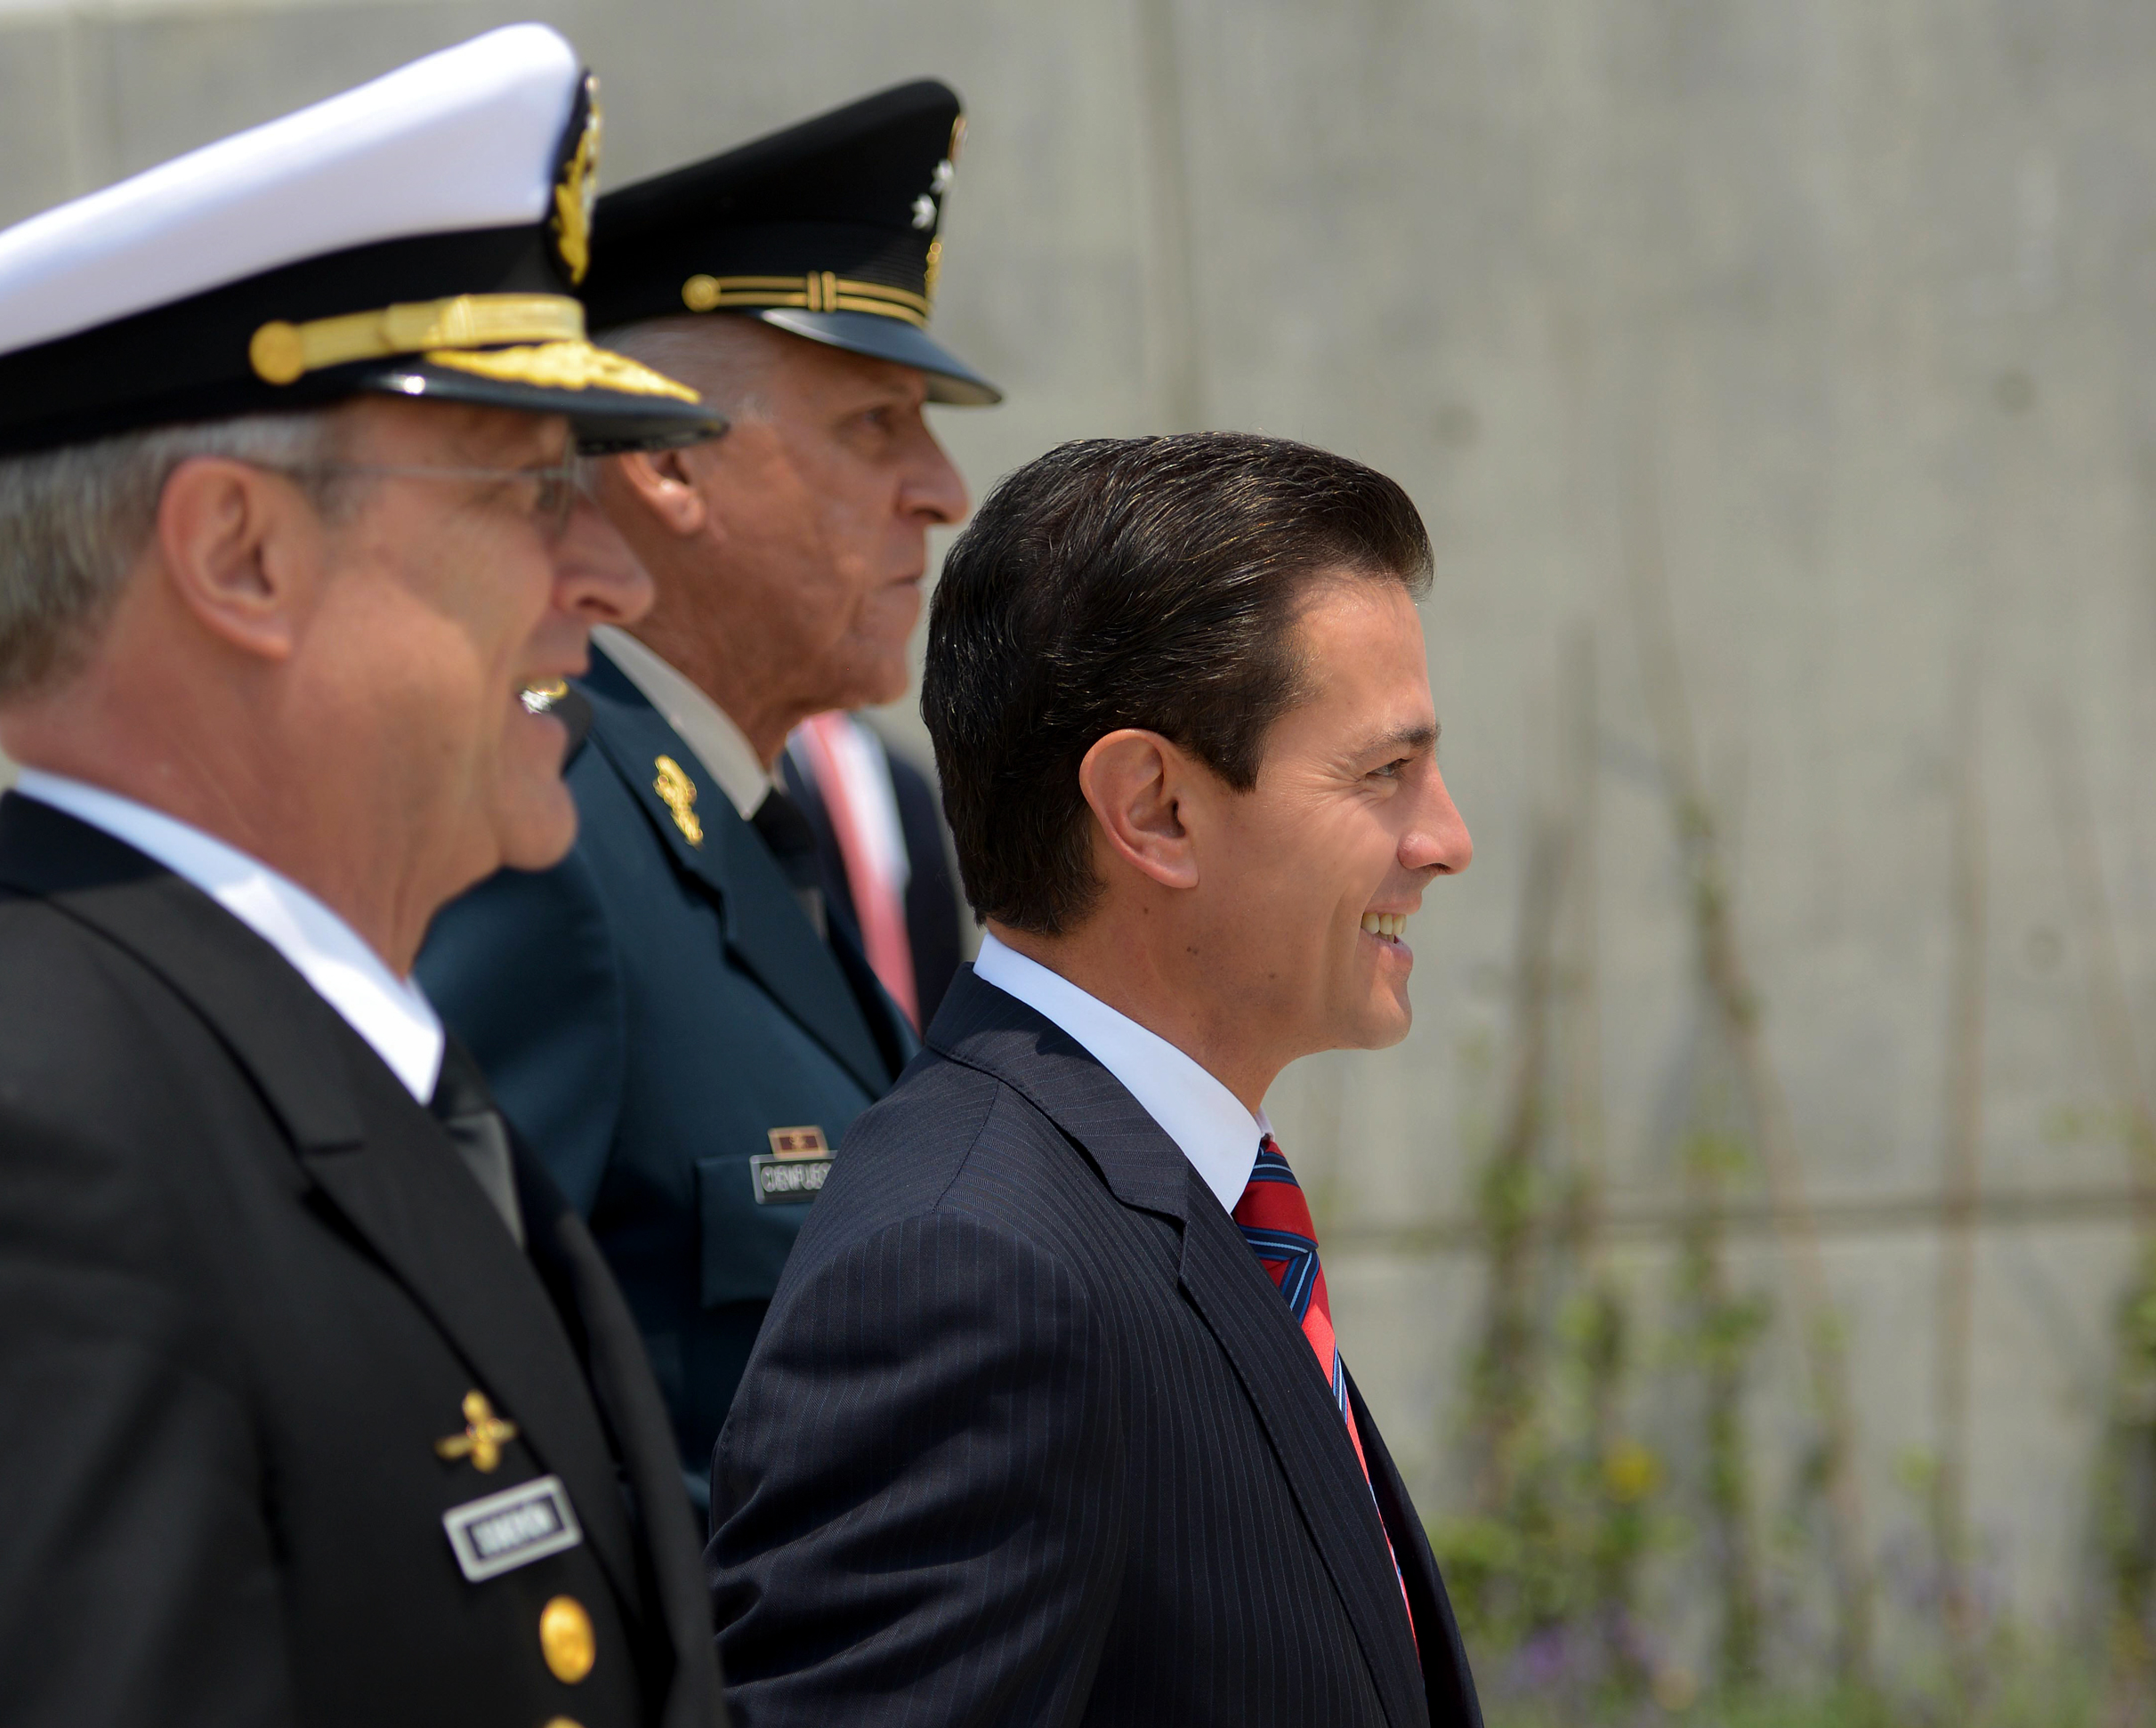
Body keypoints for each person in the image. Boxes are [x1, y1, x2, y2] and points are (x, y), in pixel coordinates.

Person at [0, 28, 731, 1727]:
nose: (611, 580)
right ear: (242, 553)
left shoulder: (315, 1059)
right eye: (533, 491)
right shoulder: (49, 1127)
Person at [708, 432, 1486, 1727]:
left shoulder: (1145, 1204)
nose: (1445, 839)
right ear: (1154, 807)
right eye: (1382, 772)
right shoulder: (976, 1268)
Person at [417, 80, 997, 1514]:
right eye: (876, 421)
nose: (943, 488)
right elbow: (447, 1404)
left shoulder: (730, 825)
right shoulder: (546, 835)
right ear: (668, 460)